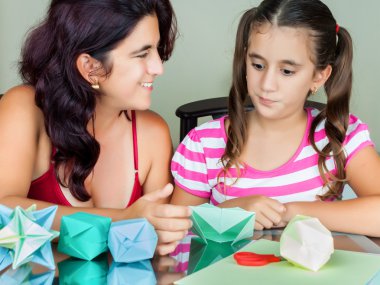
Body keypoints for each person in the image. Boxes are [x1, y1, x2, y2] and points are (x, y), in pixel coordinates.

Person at [171, 0, 380, 237]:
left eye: (287, 71)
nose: (267, 85)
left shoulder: (340, 135)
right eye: (258, 65)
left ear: (320, 77)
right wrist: (230, 211)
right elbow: (175, 233)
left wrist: (290, 212)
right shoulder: (203, 144)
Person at [0, 0, 192, 255]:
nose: (159, 68)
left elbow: (154, 243)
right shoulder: (24, 108)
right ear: (90, 68)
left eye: (156, 49)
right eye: (142, 54)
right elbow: (3, 214)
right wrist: (122, 220)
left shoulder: (154, 132)